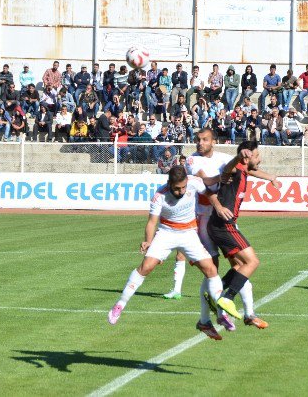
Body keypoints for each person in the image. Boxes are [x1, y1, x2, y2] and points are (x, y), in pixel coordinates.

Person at [107, 166, 227, 341]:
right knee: (146, 267)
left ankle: (220, 312)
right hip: (166, 233)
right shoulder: (159, 195)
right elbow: (151, 222)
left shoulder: (193, 183)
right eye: (177, 188)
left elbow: (209, 194)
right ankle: (120, 304)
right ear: (169, 183)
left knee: (210, 269)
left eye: (183, 187)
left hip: (189, 234)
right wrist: (148, 241)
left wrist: (218, 207)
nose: (181, 191)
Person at [186, 129, 274, 329]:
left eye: (205, 140)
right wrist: (226, 175)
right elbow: (206, 183)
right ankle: (212, 316)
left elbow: (245, 168)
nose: (200, 143)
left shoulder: (224, 157)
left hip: (224, 218)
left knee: (239, 266)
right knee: (212, 270)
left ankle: (247, 312)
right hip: (205, 217)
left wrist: (270, 177)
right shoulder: (193, 161)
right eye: (198, 140)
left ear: (214, 142)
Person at [207, 141, 280, 320]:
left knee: (240, 266)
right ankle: (227, 298)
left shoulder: (244, 170)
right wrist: (238, 157)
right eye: (256, 155)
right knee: (252, 262)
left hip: (220, 225)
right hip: (225, 225)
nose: (260, 159)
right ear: (246, 158)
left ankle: (215, 294)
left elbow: (252, 170)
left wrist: (271, 177)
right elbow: (228, 168)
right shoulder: (234, 169)